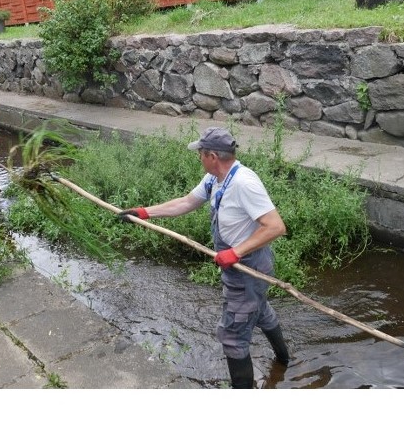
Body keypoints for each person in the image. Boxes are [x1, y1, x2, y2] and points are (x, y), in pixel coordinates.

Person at [118, 126, 290, 389]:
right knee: (260, 311)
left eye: (200, 153)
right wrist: (143, 212)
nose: (198, 157)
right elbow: (186, 202)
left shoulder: (244, 183)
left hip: (248, 267)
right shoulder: (216, 180)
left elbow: (276, 226)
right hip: (238, 266)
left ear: (212, 156)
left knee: (233, 335)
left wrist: (236, 252)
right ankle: (284, 361)